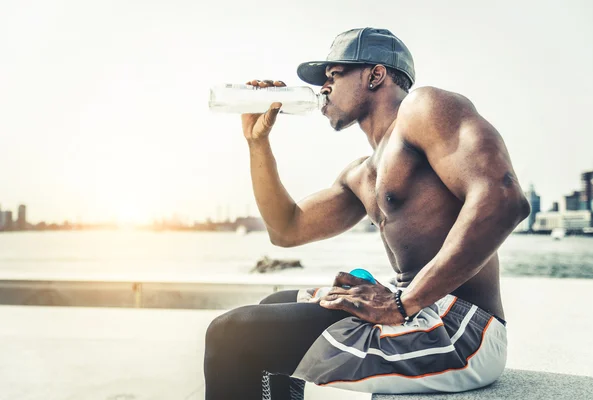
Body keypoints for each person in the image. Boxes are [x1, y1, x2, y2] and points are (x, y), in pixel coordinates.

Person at [204, 27, 530, 400]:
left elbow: (504, 199)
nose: (324, 89)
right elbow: (286, 229)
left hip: (463, 329)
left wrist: (401, 303)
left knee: (231, 333)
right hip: (418, 310)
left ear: (376, 75)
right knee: (271, 308)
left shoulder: (423, 108)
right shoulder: (362, 173)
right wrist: (257, 143)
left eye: (334, 75)